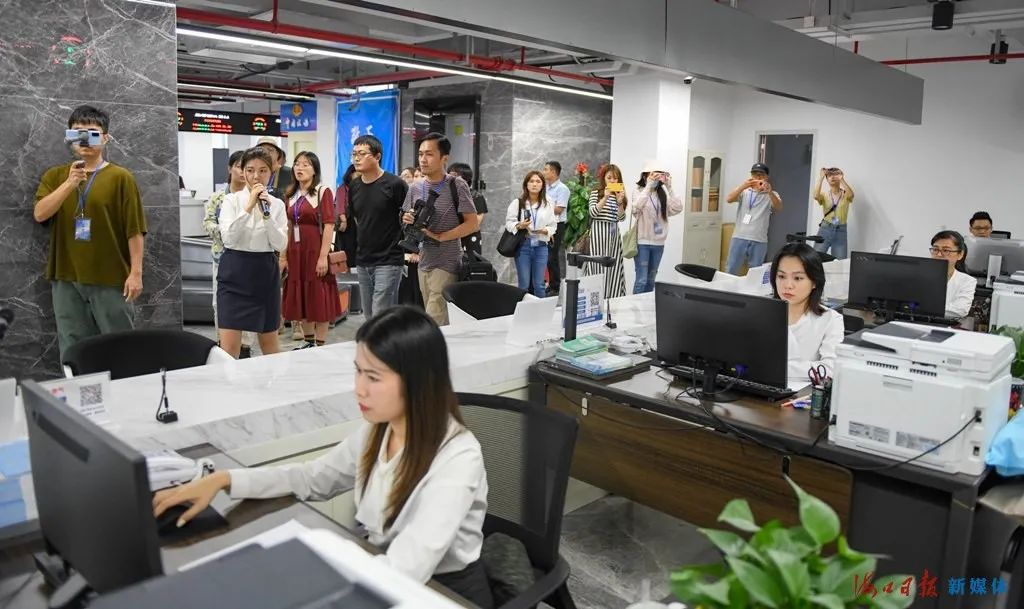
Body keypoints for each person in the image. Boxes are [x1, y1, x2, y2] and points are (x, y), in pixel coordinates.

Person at [152, 306, 494, 608]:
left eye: (373, 377)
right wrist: (224, 479)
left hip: (441, 592)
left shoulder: (458, 457)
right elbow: (312, 478)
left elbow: (408, 566)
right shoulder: (380, 430)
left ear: (419, 382)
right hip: (380, 569)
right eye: (358, 371)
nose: (359, 389)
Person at [33, 105, 146, 357]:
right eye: (78, 133)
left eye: (92, 133)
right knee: (72, 346)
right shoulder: (55, 176)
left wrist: (136, 273)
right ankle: (80, 385)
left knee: (119, 344)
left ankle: (125, 384)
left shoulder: (121, 177)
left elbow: (135, 228)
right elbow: (40, 213)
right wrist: (69, 183)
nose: (84, 140)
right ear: (69, 137)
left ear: (105, 138)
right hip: (66, 277)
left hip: (111, 278)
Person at [216, 147, 288, 358]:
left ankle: (274, 379)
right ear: (243, 171)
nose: (256, 176)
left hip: (264, 272)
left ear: (271, 172)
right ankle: (229, 380)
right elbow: (229, 238)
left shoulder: (277, 205)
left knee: (270, 345)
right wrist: (248, 207)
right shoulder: (231, 200)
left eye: (263, 170)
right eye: (250, 170)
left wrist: (267, 216)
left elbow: (280, 244)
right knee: (229, 349)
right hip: (234, 272)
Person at [402, 133, 480, 326]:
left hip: (447, 261)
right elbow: (406, 219)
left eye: (429, 154)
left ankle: (433, 345)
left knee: (435, 318)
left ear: (444, 158)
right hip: (423, 261)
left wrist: (440, 236)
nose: (423, 159)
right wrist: (407, 219)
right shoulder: (415, 187)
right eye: (420, 154)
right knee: (434, 315)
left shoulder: (457, 185)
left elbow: (472, 223)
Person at [281, 152, 341, 349]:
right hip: (295, 252)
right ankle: (308, 341)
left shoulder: (323, 192)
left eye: (306, 164)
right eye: (297, 164)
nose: (300, 168)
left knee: (318, 293)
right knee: (302, 295)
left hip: (315, 250)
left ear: (315, 170)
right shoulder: (290, 194)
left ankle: (320, 343)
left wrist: (323, 257)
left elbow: (329, 225)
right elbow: (288, 225)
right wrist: (284, 255)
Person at [350, 135, 409, 319]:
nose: (356, 158)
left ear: (377, 156)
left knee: (380, 314)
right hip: (363, 259)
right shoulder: (354, 186)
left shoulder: (395, 184)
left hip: (389, 259)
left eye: (362, 154)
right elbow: (358, 219)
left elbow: (409, 218)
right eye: (354, 154)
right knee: (369, 315)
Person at [204, 150, 255, 358]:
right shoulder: (218, 197)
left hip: (248, 258)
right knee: (220, 302)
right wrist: (227, 233)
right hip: (222, 257)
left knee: (249, 299)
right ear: (230, 169)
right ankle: (223, 343)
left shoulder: (253, 197)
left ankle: (245, 346)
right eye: (238, 167)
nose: (242, 172)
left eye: (246, 168)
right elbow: (208, 222)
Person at [770, 243, 844, 383]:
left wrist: (776, 368)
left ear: (814, 282)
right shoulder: (762, 314)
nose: (788, 285)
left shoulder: (830, 319)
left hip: (803, 394)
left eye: (798, 278)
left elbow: (830, 369)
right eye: (781, 276)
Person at [631, 161, 683, 294]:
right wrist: (648, 187)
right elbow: (635, 209)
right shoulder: (639, 191)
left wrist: (670, 188)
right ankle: (636, 305)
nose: (656, 178)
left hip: (658, 243)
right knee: (641, 280)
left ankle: (647, 305)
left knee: (651, 279)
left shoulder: (662, 194)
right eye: (653, 175)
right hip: (642, 242)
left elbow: (678, 208)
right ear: (645, 176)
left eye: (659, 175)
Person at [505, 171, 557, 297]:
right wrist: (520, 225)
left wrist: (545, 230)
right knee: (524, 284)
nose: (534, 184)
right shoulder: (518, 203)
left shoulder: (548, 203)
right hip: (523, 245)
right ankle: (522, 309)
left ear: (542, 185)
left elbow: (553, 225)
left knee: (539, 284)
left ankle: (540, 309)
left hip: (541, 246)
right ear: (526, 184)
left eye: (538, 181)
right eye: (531, 181)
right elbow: (509, 223)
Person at [725, 163, 783, 275]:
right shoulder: (744, 192)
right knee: (731, 268)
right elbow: (729, 199)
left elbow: (779, 207)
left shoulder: (772, 194)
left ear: (766, 177)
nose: (758, 177)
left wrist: (770, 192)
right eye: (755, 174)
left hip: (759, 239)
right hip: (739, 236)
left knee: (755, 273)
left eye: (761, 174)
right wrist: (743, 186)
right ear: (751, 176)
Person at [585, 164, 627, 298]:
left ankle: (612, 298)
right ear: (604, 178)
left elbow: (621, 218)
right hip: (598, 233)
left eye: (615, 178)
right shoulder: (596, 193)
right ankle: (595, 297)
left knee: (612, 267)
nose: (612, 181)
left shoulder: (619, 194)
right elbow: (592, 213)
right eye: (609, 178)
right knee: (597, 265)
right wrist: (605, 197)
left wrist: (620, 202)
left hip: (613, 236)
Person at [930, 230, 976, 319]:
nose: (939, 254)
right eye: (935, 249)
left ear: (960, 254)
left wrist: (925, 308)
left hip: (945, 325)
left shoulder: (967, 281)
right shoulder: (919, 275)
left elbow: (960, 310)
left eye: (946, 250)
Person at [812, 167, 854, 259]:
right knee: (815, 259)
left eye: (835, 175)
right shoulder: (824, 195)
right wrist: (821, 177)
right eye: (829, 175)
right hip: (825, 228)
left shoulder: (845, 194)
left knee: (840, 262)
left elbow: (851, 195)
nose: (832, 177)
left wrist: (842, 179)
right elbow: (815, 196)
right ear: (827, 179)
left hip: (841, 230)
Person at [447, 162, 488, 256]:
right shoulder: (446, 196)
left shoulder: (476, 196)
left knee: (468, 263)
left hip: (468, 241)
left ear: (465, 179)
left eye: (454, 176)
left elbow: (475, 223)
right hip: (448, 241)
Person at [543, 161, 570, 294]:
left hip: (557, 226)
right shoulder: (545, 187)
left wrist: (541, 208)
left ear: (553, 172)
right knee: (546, 256)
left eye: (546, 169)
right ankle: (550, 284)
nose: (544, 172)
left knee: (552, 256)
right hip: (545, 224)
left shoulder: (562, 189)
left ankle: (555, 286)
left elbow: (559, 209)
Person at [333, 163, 359, 271]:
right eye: (356, 172)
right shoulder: (343, 188)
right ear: (350, 174)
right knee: (346, 249)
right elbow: (339, 205)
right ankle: (345, 271)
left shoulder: (363, 187)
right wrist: (343, 220)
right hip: (347, 222)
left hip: (360, 222)